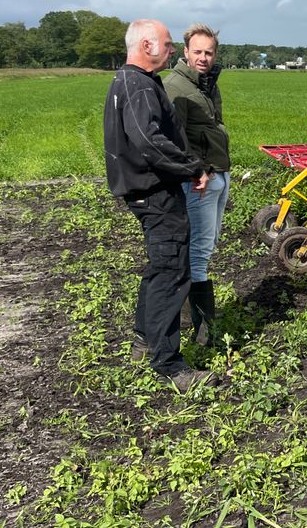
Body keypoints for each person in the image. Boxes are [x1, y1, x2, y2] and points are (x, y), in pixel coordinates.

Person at [103, 19, 210, 391]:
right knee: (171, 272)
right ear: (147, 45)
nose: (169, 50)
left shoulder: (132, 81)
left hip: (146, 191)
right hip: (155, 193)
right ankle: (169, 364)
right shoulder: (138, 86)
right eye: (166, 44)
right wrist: (192, 167)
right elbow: (149, 142)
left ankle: (143, 339)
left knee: (159, 266)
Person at [164, 23, 229, 347]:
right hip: (200, 179)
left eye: (209, 52)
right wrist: (198, 171)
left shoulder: (206, 84)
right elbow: (176, 138)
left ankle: (193, 320)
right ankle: (205, 333)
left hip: (216, 174)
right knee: (199, 251)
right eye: (198, 51)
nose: (204, 57)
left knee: (207, 244)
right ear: (186, 52)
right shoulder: (176, 86)